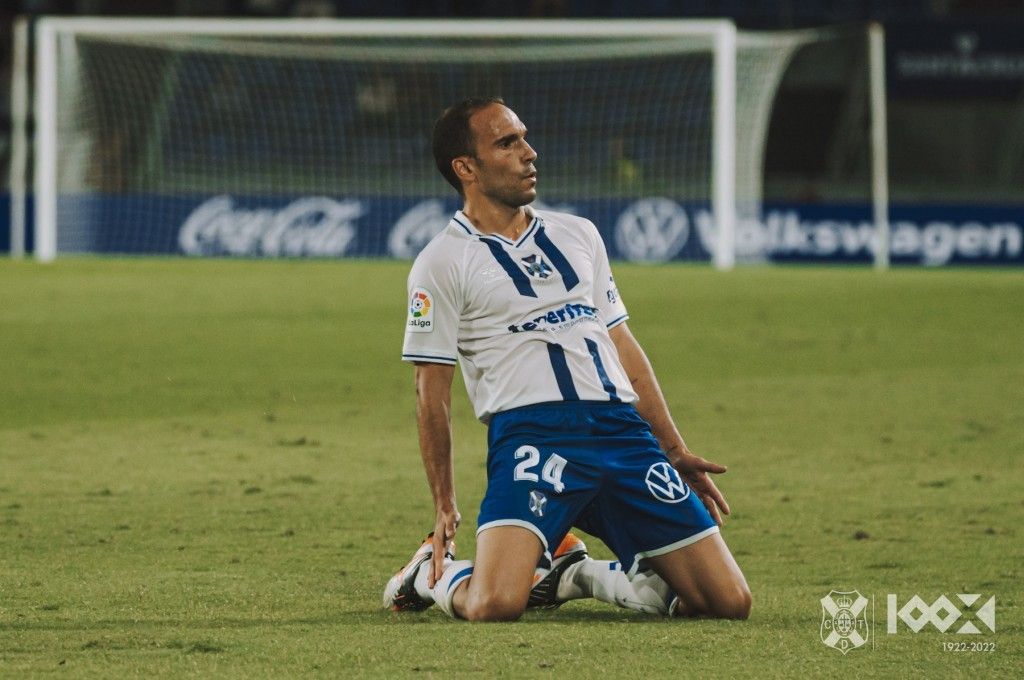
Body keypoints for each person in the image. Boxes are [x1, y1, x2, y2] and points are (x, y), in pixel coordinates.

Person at [383, 97, 751, 622]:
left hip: (622, 434)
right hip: (534, 437)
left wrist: (672, 447)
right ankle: (429, 574)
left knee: (727, 602)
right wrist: (444, 502)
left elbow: (622, 346)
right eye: (507, 143)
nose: (529, 153)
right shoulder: (440, 263)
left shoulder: (579, 234)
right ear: (466, 167)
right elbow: (430, 392)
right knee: (493, 605)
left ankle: (571, 572)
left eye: (525, 138)